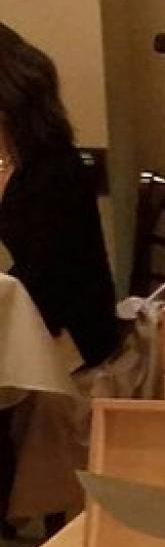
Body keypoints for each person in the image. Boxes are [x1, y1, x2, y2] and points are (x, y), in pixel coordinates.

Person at [0, 22, 119, 369]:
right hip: (26, 324)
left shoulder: (53, 170)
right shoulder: (9, 161)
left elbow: (48, 283)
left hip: (68, 341)